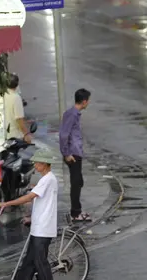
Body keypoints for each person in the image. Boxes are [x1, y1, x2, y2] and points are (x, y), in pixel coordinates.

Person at [0, 147, 60, 280]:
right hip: (39, 226)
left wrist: (7, 203)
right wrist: (30, 218)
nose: (35, 165)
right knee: (29, 261)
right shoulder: (45, 179)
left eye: (37, 163)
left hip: (44, 228)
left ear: (44, 164)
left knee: (39, 261)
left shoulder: (48, 179)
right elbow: (42, 203)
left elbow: (29, 198)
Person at [59, 88, 91, 222]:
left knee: (78, 182)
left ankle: (77, 210)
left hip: (76, 152)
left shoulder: (74, 114)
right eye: (88, 101)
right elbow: (63, 134)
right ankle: (75, 213)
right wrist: (66, 153)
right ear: (84, 102)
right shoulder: (72, 115)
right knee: (76, 183)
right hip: (73, 154)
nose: (88, 103)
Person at [3, 73, 32, 143]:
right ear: (17, 84)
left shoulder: (5, 95)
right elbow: (19, 119)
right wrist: (26, 134)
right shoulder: (16, 97)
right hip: (16, 136)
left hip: (8, 134)